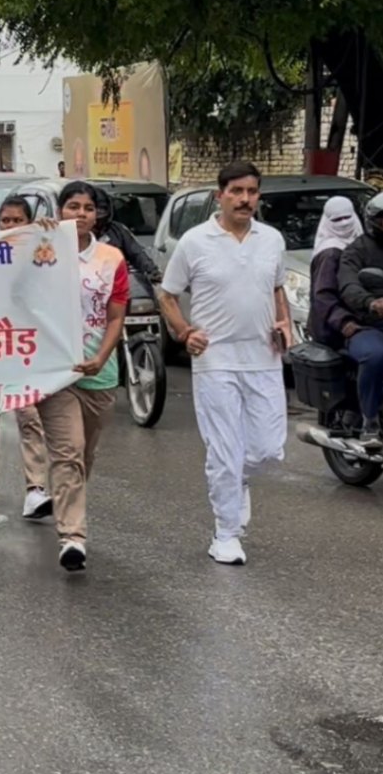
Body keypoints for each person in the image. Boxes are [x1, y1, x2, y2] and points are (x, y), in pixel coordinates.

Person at [160, 162, 289, 565]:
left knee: (269, 449)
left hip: (263, 357)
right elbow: (167, 295)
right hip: (215, 358)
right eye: (236, 191)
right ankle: (226, 534)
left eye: (251, 191)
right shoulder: (195, 242)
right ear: (220, 196)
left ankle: (239, 476)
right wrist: (184, 332)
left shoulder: (272, 240)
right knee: (223, 450)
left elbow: (277, 287)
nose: (245, 199)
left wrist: (283, 319)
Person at [38, 181, 128, 572]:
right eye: (72, 206)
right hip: (55, 374)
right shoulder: (39, 251)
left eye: (88, 208)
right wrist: (29, 236)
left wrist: (101, 357)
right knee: (69, 451)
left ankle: (63, 498)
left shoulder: (112, 259)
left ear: (97, 215)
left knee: (84, 456)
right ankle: (72, 537)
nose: (80, 214)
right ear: (60, 211)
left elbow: (116, 316)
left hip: (99, 373)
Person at [0, 195, 52, 519]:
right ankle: (35, 489)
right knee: (28, 416)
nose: (11, 226)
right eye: (6, 220)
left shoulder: (44, 252)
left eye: (18, 220)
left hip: (44, 348)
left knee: (52, 423)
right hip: (7, 350)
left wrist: (49, 234)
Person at [337, 196, 383, 445]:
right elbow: (348, 284)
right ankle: (370, 420)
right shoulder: (357, 250)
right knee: (376, 355)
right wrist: (371, 302)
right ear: (373, 221)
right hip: (367, 325)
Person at [308, 196, 364, 351]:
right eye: (337, 219)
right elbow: (323, 295)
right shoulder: (330, 253)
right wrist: (344, 322)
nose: (344, 223)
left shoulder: (359, 245)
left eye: (347, 217)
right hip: (336, 334)